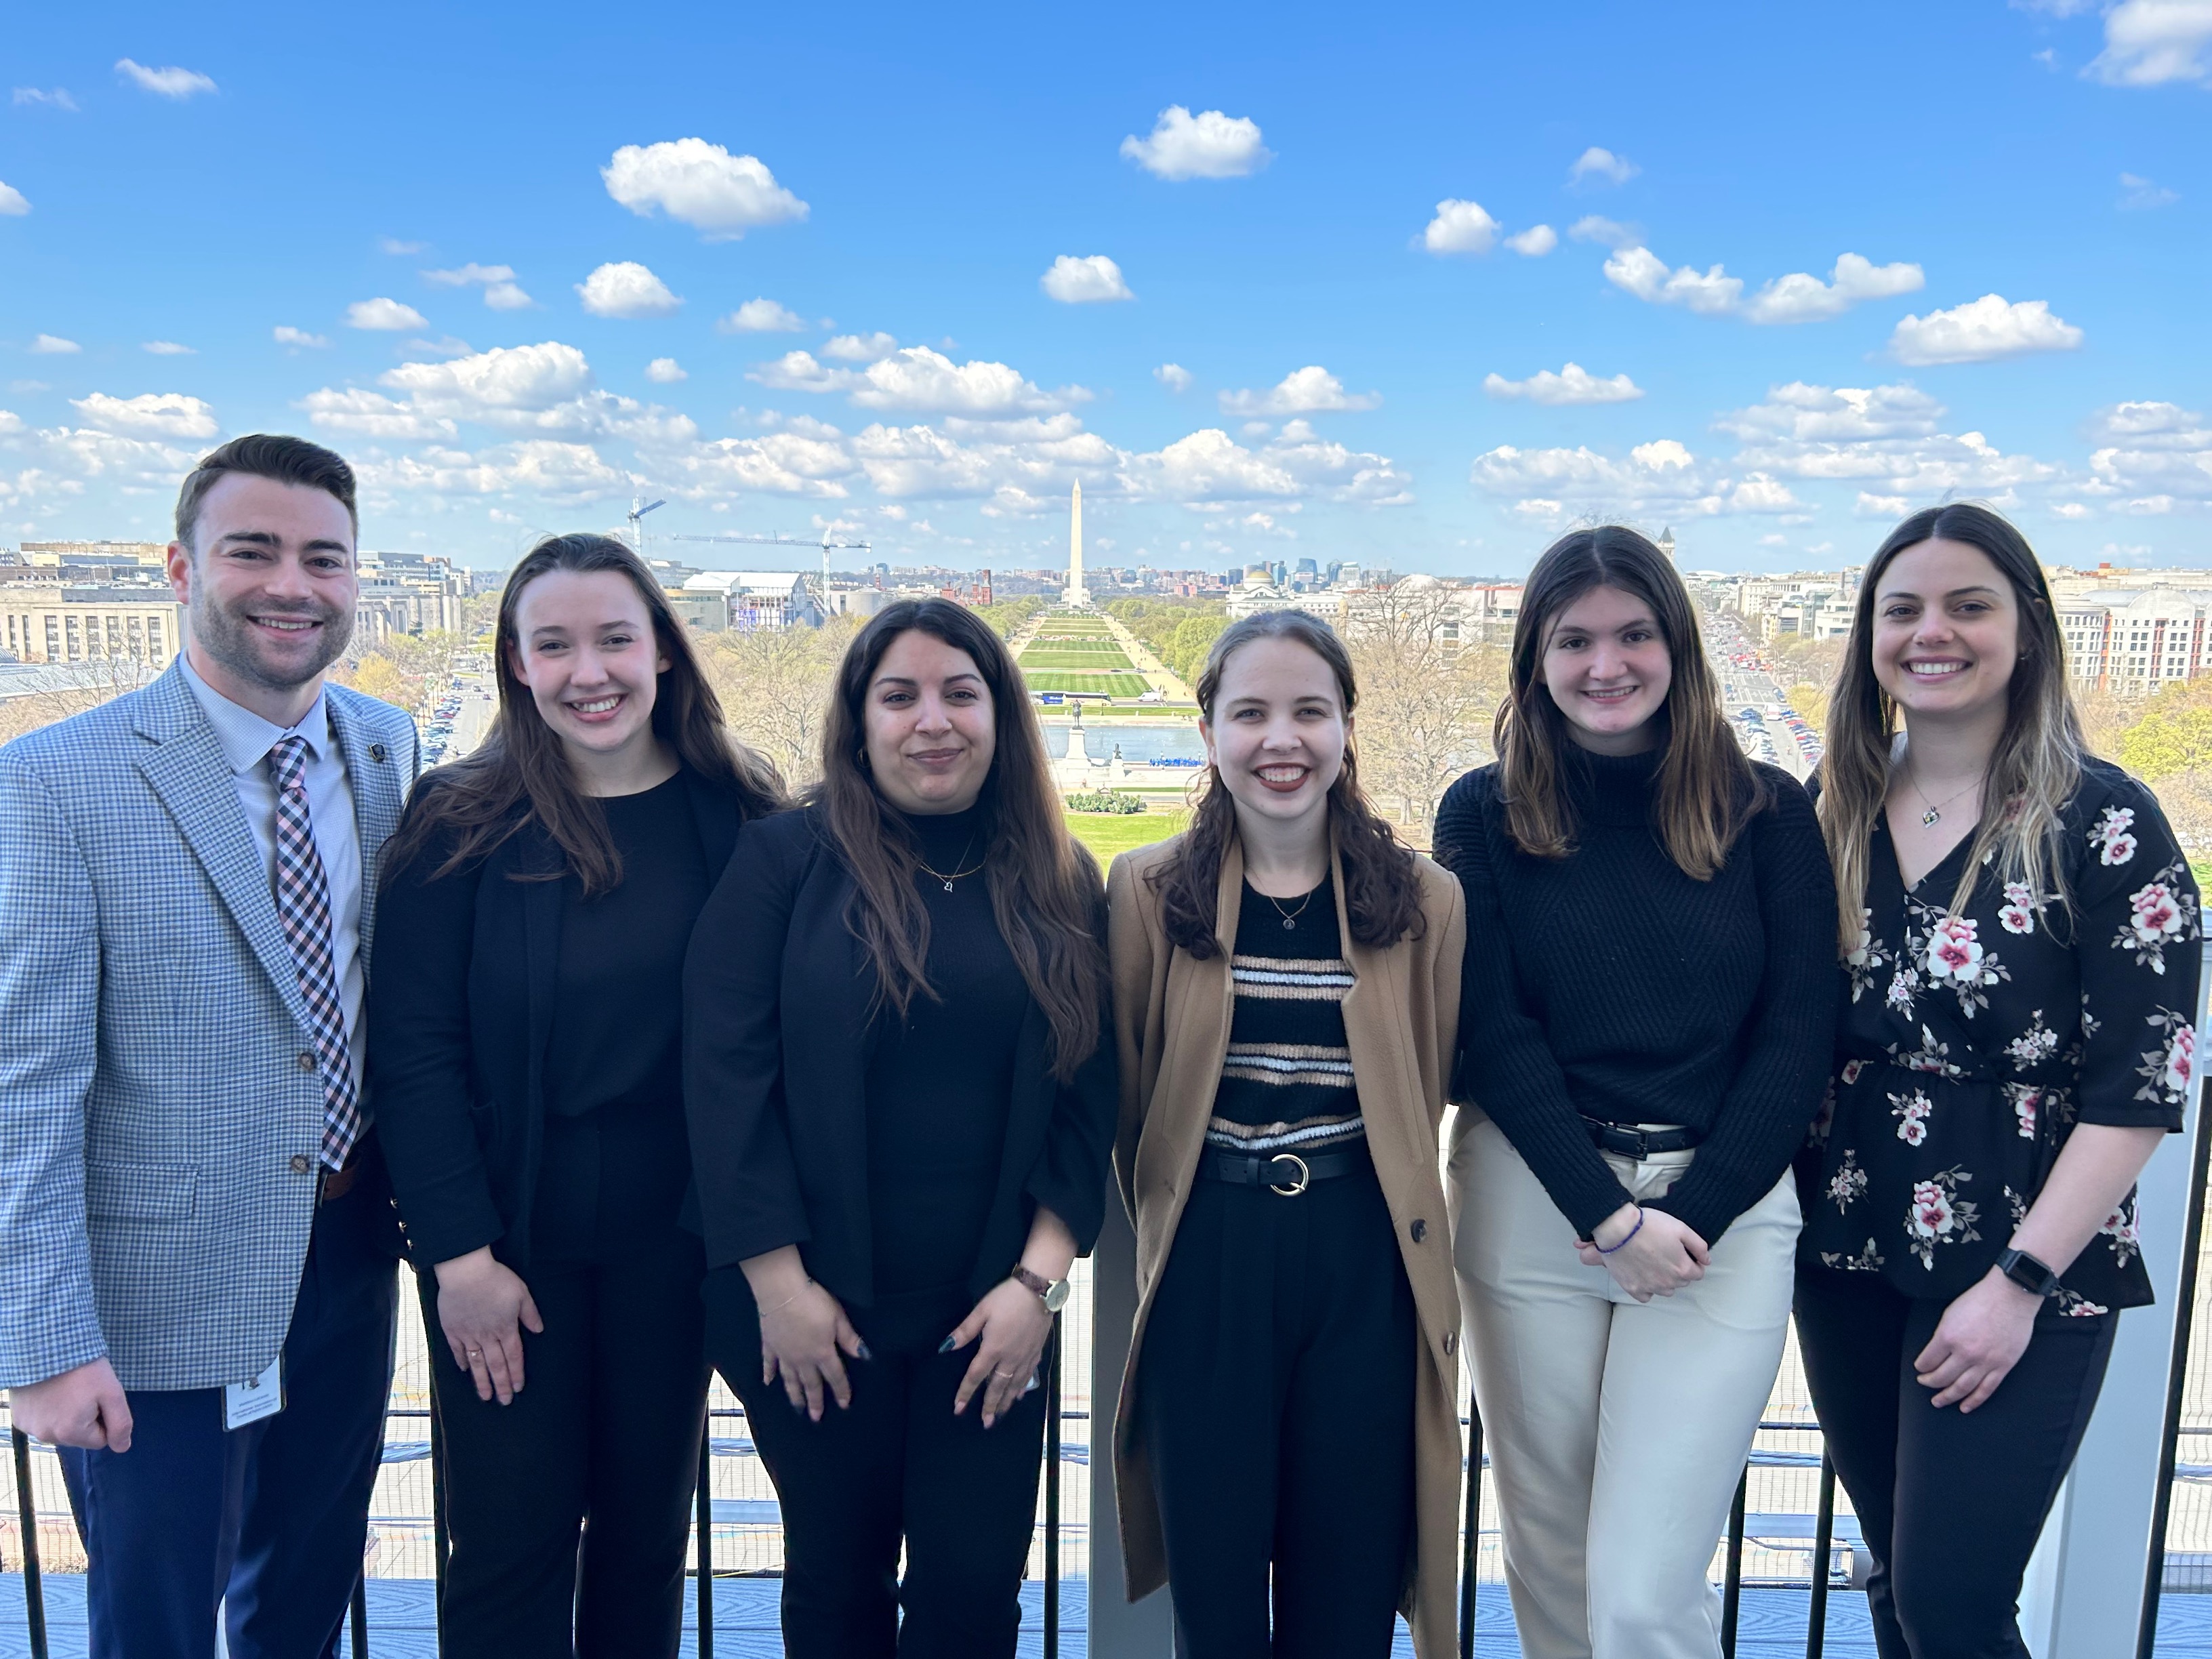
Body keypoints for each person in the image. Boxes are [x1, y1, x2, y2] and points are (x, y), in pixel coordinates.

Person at [0, 435, 417, 1658]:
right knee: (158, 1621)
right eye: (254, 550)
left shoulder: (386, 745)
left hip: (345, 1256)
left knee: (305, 1596)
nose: (292, 583)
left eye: (322, 557)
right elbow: (25, 1084)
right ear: (180, 569)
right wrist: (44, 1342)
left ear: (355, 581)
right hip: (153, 1301)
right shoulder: (54, 780)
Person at [369, 533, 785, 1655]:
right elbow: (412, 1056)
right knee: (510, 1544)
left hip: (678, 1249)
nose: (587, 672)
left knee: (648, 1540)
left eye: (614, 639)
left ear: (663, 653)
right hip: (510, 1252)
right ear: (514, 663)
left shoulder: (743, 817)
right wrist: (460, 1261)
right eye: (553, 645)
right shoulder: (456, 823)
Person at [1794, 503, 2198, 1657]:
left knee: (1953, 1604)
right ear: (1869, 634)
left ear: (2027, 625)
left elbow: (2142, 1080)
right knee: (1894, 1587)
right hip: (1851, 1250)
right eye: (1903, 609)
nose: (1935, 632)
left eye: (1969, 605)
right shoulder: (1831, 810)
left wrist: (2016, 1283)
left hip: (2029, 1263)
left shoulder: (2106, 821)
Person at [1431, 527, 1837, 1659]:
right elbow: (1491, 1032)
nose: (1606, 664)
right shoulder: (1482, 811)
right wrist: (1606, 1215)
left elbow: (1798, 1032)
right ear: (1534, 660)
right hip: (1535, 1205)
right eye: (1574, 640)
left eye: (1633, 635)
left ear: (1678, 647)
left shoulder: (1765, 810)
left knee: (1648, 1588)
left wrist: (1686, 1218)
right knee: (1554, 1561)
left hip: (1723, 1217)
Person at [684, 597, 1116, 1658]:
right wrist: (779, 1290)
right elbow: (723, 1077)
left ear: (1001, 716)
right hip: (816, 1312)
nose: (934, 720)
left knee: (974, 1594)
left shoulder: (1060, 878)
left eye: (961, 694)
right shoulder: (784, 862)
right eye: (901, 696)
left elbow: (1088, 1095)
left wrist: (1035, 1289)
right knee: (838, 1583)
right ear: (860, 719)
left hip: (990, 1314)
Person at [1107, 610, 1467, 1658]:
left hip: (1363, 1263)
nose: (1282, 740)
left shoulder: (1427, 902)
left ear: (1347, 727)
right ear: (1209, 729)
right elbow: (1131, 1094)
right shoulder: (1144, 891)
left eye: (1310, 711)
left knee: (1346, 1599)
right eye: (1250, 712)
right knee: (1214, 1601)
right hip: (1210, 1259)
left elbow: (1424, 1084)